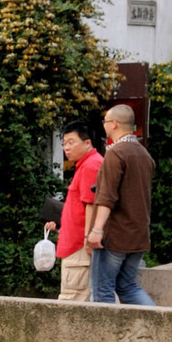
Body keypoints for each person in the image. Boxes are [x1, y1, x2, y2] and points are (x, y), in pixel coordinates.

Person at [86, 102, 156, 306]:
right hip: (139, 234)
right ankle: (157, 324)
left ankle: (104, 337)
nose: (103, 125)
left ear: (114, 124)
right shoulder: (144, 155)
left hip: (115, 235)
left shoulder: (116, 153)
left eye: (105, 121)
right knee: (127, 286)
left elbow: (107, 196)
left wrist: (97, 230)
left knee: (102, 290)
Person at [49, 120, 103, 304]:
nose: (66, 148)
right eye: (64, 143)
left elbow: (92, 205)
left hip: (79, 247)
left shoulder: (90, 166)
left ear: (87, 143)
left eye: (71, 142)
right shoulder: (87, 164)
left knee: (71, 303)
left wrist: (88, 238)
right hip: (77, 244)